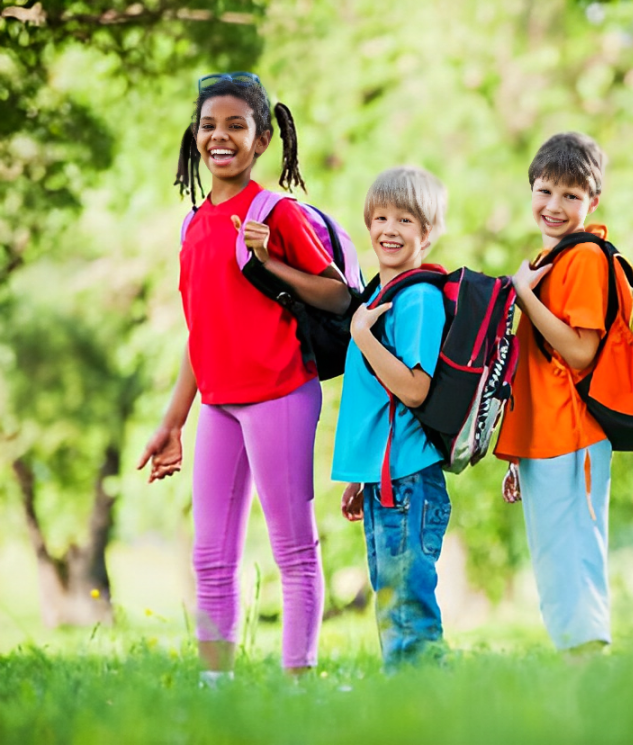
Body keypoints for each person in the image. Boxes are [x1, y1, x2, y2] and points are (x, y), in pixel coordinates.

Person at [138, 72, 351, 683]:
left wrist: (269, 260)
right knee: (210, 555)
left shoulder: (274, 212)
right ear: (195, 137)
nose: (220, 137)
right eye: (209, 125)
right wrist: (173, 421)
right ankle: (216, 687)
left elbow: (339, 297)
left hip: (282, 392)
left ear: (261, 142)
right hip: (221, 405)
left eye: (236, 125)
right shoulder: (192, 227)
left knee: (292, 548)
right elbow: (199, 335)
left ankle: (299, 682)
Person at [495, 132, 632, 653]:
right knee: (554, 560)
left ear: (592, 202)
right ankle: (577, 673)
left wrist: (525, 296)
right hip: (544, 435)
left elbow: (579, 353)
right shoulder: (546, 259)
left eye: (571, 196)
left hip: (572, 434)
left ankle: (589, 673)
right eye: (545, 190)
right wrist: (516, 453)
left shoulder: (584, 259)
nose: (554, 206)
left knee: (573, 557)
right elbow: (531, 364)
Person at [335, 166, 451, 671]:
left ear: (427, 232)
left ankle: (428, 711)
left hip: (408, 482)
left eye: (405, 219)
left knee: (409, 612)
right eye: (380, 216)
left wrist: (361, 336)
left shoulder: (418, 297)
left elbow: (414, 388)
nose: (388, 229)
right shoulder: (379, 299)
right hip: (386, 480)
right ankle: (409, 713)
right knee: (393, 605)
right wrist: (362, 474)